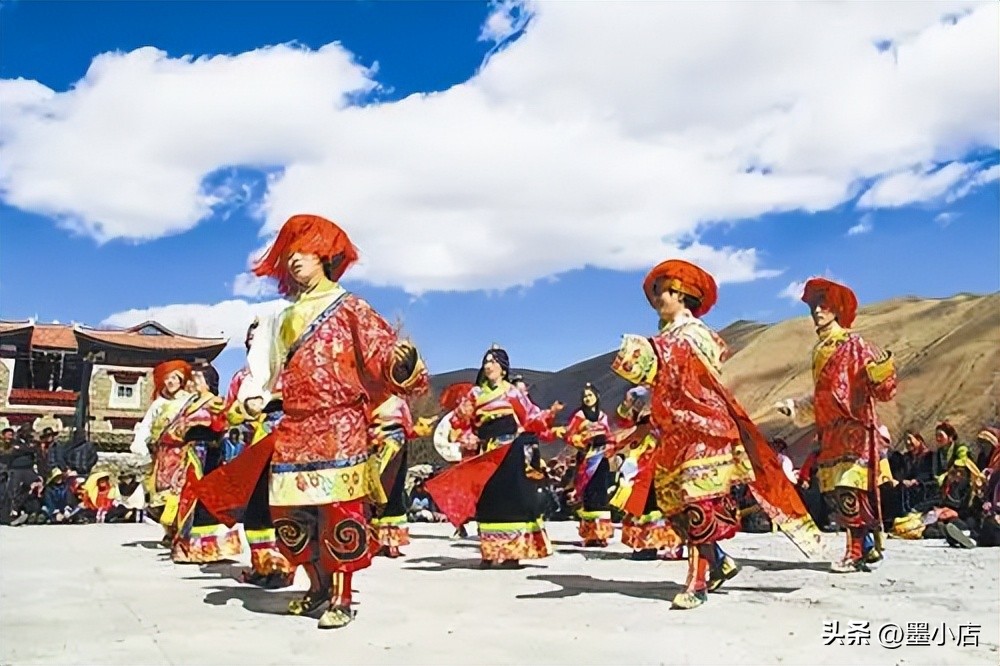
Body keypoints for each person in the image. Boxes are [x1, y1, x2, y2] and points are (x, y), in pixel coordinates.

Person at [194, 213, 429, 629]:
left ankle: (341, 595)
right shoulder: (282, 317)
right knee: (292, 512)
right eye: (289, 253)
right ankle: (316, 585)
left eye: (303, 251)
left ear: (324, 255)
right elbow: (267, 369)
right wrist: (254, 397)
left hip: (340, 424)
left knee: (339, 511)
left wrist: (400, 362)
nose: (294, 259)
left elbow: (380, 358)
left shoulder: (351, 307)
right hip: (294, 426)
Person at [613, 259, 821, 609]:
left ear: (681, 295)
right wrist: (646, 394)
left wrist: (651, 356)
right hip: (674, 433)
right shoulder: (667, 339)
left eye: (663, 292)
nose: (657, 299)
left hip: (703, 429)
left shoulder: (697, 335)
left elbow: (689, 369)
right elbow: (667, 380)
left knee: (697, 502)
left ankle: (696, 583)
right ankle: (720, 561)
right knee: (676, 507)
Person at [775, 277, 897, 573]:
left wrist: (882, 374)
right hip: (830, 431)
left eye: (824, 305)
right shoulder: (820, 350)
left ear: (837, 309)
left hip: (854, 428)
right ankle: (866, 545)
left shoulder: (854, 345)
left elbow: (881, 388)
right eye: (814, 306)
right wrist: (796, 407)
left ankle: (855, 551)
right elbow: (823, 395)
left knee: (848, 488)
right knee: (839, 491)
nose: (817, 311)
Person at [425, 345, 564, 568]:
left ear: (503, 368)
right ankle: (489, 553)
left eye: (493, 362)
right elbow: (458, 421)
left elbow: (530, 418)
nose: (488, 366)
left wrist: (550, 413)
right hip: (486, 453)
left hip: (510, 453)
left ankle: (511, 554)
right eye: (486, 362)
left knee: (512, 500)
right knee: (488, 501)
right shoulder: (475, 394)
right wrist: (466, 436)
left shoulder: (512, 393)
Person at [610, 386, 684, 561]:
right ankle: (648, 544)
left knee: (668, 500)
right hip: (643, 456)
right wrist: (628, 402)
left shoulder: (672, 392)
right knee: (645, 501)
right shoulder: (640, 397)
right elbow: (623, 422)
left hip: (667, 453)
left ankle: (673, 543)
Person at [133, 360, 194, 544]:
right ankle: (169, 530)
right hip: (161, 455)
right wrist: (140, 445)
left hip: (183, 454)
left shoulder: (189, 401)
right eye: (167, 378)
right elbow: (146, 426)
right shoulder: (158, 404)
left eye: (174, 378)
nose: (170, 382)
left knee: (180, 492)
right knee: (159, 494)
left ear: (181, 380)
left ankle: (182, 532)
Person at [368, 394, 436, 557]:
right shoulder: (368, 398)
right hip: (373, 449)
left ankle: (392, 543)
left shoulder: (399, 402)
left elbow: (409, 429)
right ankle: (375, 542)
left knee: (394, 492)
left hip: (397, 448)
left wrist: (421, 429)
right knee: (375, 493)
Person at [564, 383, 615, 547]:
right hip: (587, 458)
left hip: (601, 458)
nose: (587, 398)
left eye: (590, 395)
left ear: (597, 396)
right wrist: (582, 440)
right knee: (589, 494)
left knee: (601, 494)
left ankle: (602, 534)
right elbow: (569, 435)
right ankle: (590, 535)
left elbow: (609, 435)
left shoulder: (603, 416)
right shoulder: (578, 416)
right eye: (585, 396)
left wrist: (609, 445)